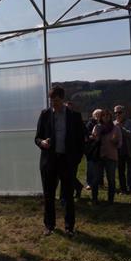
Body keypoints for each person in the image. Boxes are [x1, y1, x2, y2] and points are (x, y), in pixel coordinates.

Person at [35, 86, 84, 237]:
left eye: (56, 101)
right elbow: (37, 138)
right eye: (51, 101)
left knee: (68, 196)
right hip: (49, 161)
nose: (53, 104)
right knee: (48, 195)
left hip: (67, 162)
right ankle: (49, 225)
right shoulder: (45, 115)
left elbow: (80, 141)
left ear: (62, 99)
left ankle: (69, 227)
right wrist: (42, 143)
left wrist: (75, 161)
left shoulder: (74, 116)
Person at [91, 109, 122, 204]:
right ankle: (95, 198)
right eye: (104, 116)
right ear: (101, 117)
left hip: (111, 156)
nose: (106, 117)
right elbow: (92, 140)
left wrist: (115, 142)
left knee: (111, 179)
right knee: (95, 179)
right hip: (99, 156)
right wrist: (95, 138)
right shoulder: (97, 127)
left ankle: (111, 200)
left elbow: (120, 143)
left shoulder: (115, 128)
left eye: (108, 116)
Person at [113, 105, 131, 195]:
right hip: (119, 152)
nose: (117, 115)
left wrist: (121, 128)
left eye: (119, 112)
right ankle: (123, 189)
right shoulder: (113, 123)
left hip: (130, 151)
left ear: (124, 113)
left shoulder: (130, 122)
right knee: (120, 171)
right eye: (116, 113)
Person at [85, 109, 102, 190]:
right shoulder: (90, 124)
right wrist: (91, 137)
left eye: (100, 115)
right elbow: (86, 135)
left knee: (100, 167)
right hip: (91, 149)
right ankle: (89, 183)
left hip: (101, 148)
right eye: (96, 115)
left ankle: (99, 182)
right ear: (93, 116)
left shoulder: (103, 124)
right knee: (91, 167)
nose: (98, 116)